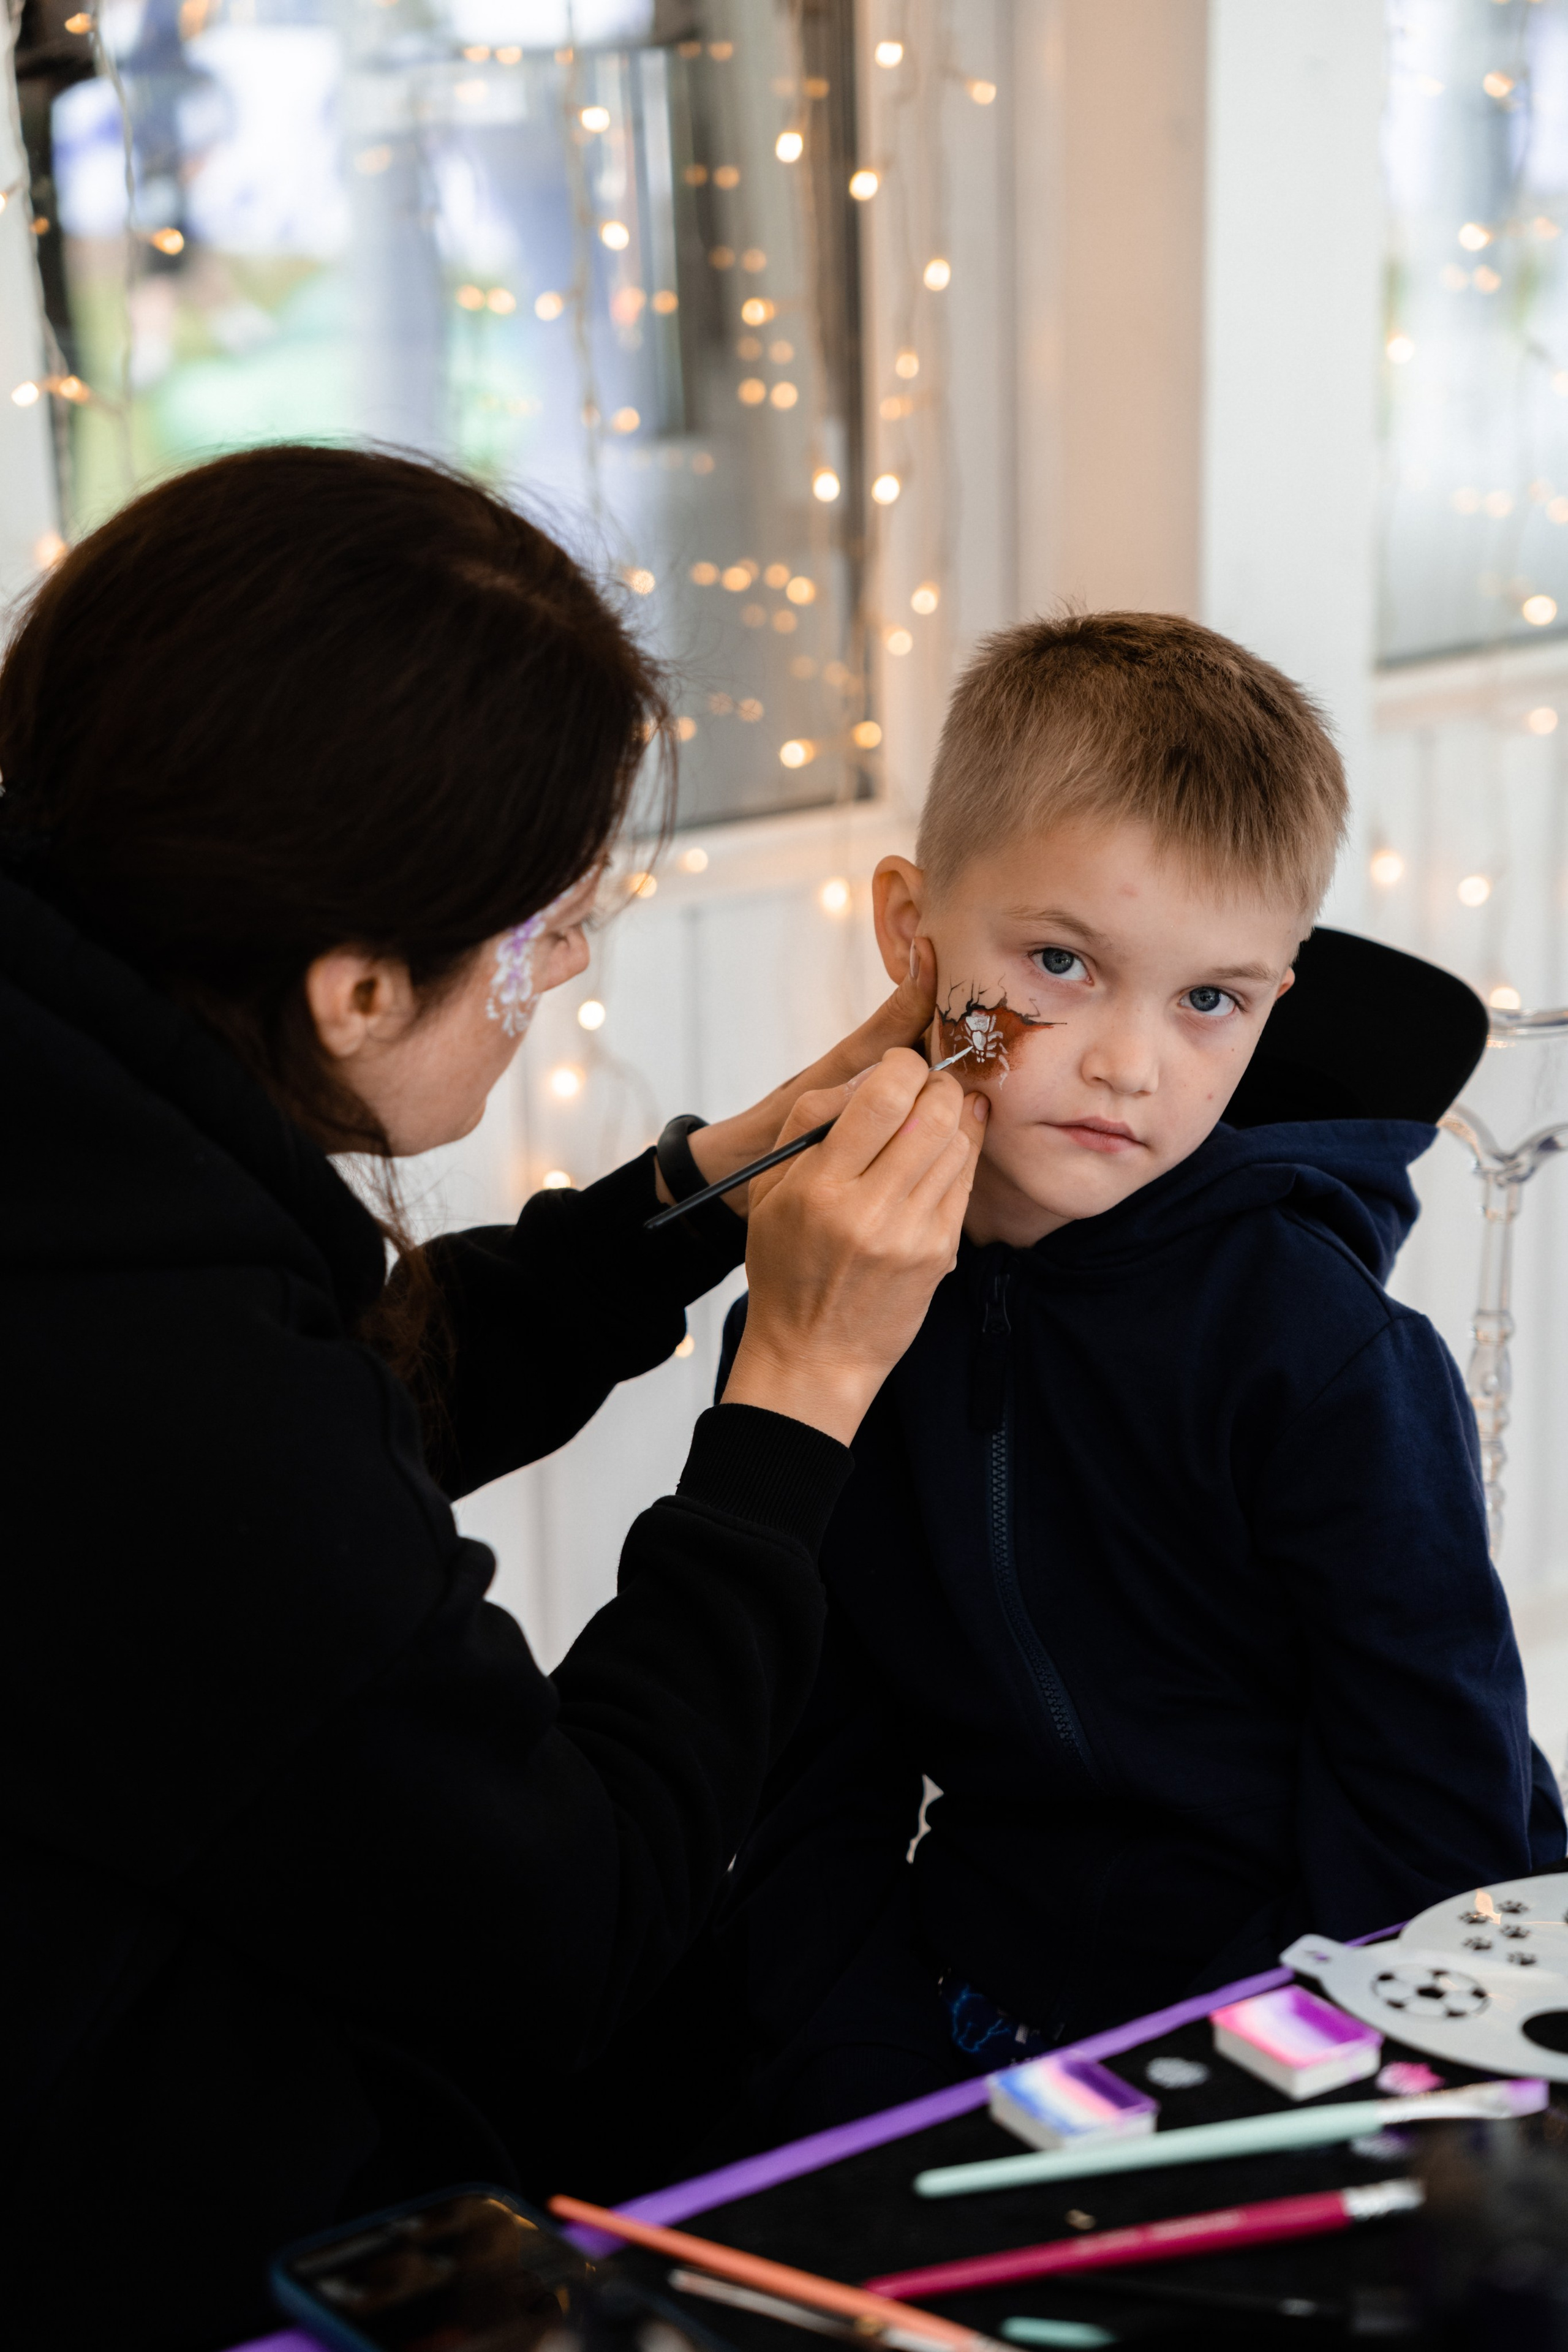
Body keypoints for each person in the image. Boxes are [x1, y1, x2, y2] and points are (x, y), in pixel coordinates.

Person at [0, 446, 987, 2352]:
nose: (570, 965)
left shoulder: (78, 1125)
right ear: (358, 990)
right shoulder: (177, 1382)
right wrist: (795, 1400)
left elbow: (343, 1406)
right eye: (547, 930)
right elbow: (569, 1918)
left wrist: (697, 1195)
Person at [714, 611, 1567, 2142]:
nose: (1131, 1065)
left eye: (1208, 1001)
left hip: (1310, 2038)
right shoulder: (837, 1295)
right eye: (1059, 965)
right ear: (912, 933)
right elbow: (806, 1771)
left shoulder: (1329, 1363)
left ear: (1273, 1000)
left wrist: (1207, 2104)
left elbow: (1426, 1827)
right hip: (980, 1994)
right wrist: (862, 2095)